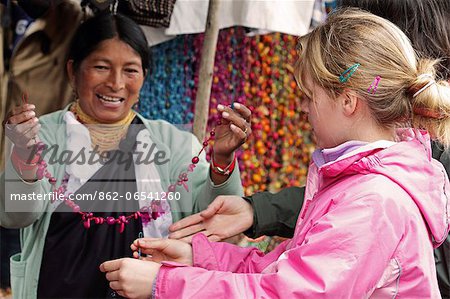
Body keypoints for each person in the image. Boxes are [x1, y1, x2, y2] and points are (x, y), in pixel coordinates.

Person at [101, 8, 450, 298]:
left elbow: (286, 293)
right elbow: (286, 269)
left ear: (348, 101)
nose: (302, 109)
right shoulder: (361, 183)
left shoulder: (374, 200)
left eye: (309, 96)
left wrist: (163, 284)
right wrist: (199, 256)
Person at [0, 11, 250, 298]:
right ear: (73, 71)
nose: (116, 83)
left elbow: (217, 227)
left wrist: (222, 162)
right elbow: (14, 215)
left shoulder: (176, 145)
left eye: (130, 70)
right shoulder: (39, 134)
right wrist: (24, 160)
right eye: (102, 67)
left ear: (144, 76)